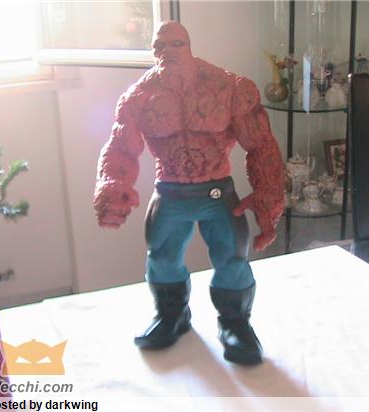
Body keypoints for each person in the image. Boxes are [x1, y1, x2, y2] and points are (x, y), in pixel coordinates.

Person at [93, 21, 285, 365]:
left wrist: (267, 193)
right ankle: (172, 316)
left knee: (232, 257)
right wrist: (112, 185)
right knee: (161, 256)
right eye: (159, 47)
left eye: (176, 44)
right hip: (170, 191)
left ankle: (236, 324)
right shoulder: (138, 97)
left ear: (189, 46)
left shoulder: (228, 87)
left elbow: (260, 144)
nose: (167, 52)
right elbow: (121, 147)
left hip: (217, 192)